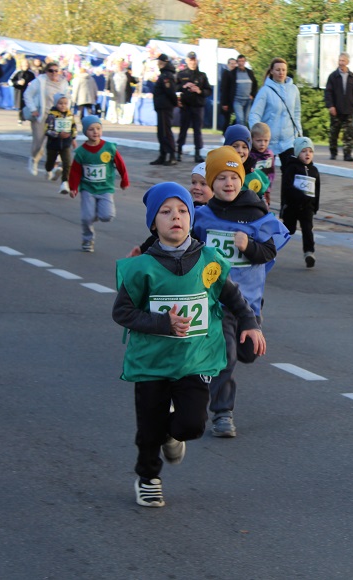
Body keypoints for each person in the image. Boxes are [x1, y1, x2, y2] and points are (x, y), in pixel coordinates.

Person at [112, 181, 265, 508]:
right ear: (153, 223)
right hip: (151, 363)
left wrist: (250, 323)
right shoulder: (141, 267)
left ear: (191, 218)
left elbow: (233, 297)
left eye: (182, 210)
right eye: (166, 212)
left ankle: (171, 434)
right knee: (148, 428)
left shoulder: (209, 260)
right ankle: (148, 478)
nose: (176, 217)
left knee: (192, 425)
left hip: (194, 360)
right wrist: (162, 322)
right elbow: (122, 312)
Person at [192, 146, 290, 437]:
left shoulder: (256, 214)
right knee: (227, 355)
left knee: (248, 354)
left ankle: (207, 368)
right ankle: (223, 414)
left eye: (234, 177)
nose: (228, 183)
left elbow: (269, 252)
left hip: (247, 303)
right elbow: (184, 247)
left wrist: (248, 247)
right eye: (221, 178)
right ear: (211, 183)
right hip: (215, 302)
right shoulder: (202, 217)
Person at [68, 115, 129, 252]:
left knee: (107, 216)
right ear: (85, 132)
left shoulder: (109, 148)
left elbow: (120, 164)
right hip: (87, 189)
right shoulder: (81, 152)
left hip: (105, 188)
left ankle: (93, 212)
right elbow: (75, 171)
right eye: (91, 129)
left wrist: (124, 180)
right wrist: (73, 187)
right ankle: (87, 240)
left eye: (98, 128)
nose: (95, 132)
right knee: (86, 218)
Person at [248, 58, 302, 163]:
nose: (281, 73)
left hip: (288, 141)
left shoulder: (294, 89)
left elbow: (296, 113)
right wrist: (257, 133)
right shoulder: (265, 91)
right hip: (268, 141)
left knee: (291, 169)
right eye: (278, 70)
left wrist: (299, 132)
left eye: (283, 70)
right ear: (272, 71)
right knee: (266, 171)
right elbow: (255, 114)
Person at [24, 63, 70, 176]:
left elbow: (68, 98)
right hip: (41, 116)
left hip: (57, 117)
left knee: (56, 143)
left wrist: (66, 112)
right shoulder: (40, 81)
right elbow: (27, 94)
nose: (54, 73)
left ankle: (52, 168)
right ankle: (33, 159)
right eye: (51, 70)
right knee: (39, 143)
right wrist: (33, 109)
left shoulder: (63, 83)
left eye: (56, 70)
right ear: (46, 72)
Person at [281, 136, 320, 267]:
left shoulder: (314, 170)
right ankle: (270, 245)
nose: (307, 154)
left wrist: (315, 205)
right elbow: (286, 187)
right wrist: (288, 202)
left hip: (307, 207)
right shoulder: (292, 168)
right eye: (303, 151)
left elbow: (317, 189)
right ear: (297, 153)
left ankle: (309, 253)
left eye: (310, 151)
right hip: (292, 206)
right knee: (289, 229)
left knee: (307, 229)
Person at [176, 51, 212, 163]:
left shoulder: (202, 75)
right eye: (191, 60)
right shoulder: (181, 74)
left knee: (197, 130)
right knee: (183, 129)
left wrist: (199, 90)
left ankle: (197, 153)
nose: (193, 62)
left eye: (194, 60)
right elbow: (174, 88)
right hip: (185, 106)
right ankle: (179, 151)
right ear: (187, 61)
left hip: (197, 106)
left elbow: (208, 91)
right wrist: (184, 86)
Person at [324, 53, 353, 162]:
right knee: (334, 133)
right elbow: (328, 93)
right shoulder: (333, 76)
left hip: (348, 109)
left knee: (348, 134)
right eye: (340, 60)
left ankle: (347, 154)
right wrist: (330, 106)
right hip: (336, 109)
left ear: (347, 62)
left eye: (343, 61)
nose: (341, 63)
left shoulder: (352, 76)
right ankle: (333, 153)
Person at [44, 93, 76, 195]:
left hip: (66, 144)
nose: (63, 105)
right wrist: (58, 135)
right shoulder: (52, 115)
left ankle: (64, 183)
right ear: (56, 104)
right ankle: (50, 170)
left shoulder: (70, 115)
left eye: (65, 103)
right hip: (53, 144)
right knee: (50, 162)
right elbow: (47, 130)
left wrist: (73, 138)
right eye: (60, 103)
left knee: (67, 163)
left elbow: (73, 127)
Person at [150, 54, 178, 166]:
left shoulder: (167, 75)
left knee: (165, 132)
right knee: (161, 133)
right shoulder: (164, 74)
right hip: (161, 107)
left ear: (164, 62)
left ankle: (172, 155)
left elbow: (170, 91)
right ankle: (163, 155)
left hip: (165, 107)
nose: (158, 63)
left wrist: (174, 103)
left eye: (160, 61)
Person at [227, 54, 258, 128]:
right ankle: (241, 133)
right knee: (240, 119)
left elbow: (255, 84)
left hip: (248, 100)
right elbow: (228, 87)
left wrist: (253, 95)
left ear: (245, 62)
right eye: (239, 61)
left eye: (242, 61)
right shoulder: (233, 73)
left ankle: (241, 132)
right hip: (237, 100)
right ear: (237, 62)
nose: (241, 63)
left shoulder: (249, 72)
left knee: (245, 119)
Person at [249, 122, 275, 205]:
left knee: (264, 207)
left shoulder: (270, 155)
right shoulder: (249, 155)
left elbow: (271, 173)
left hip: (265, 189)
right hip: (250, 189)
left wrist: (268, 188)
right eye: (259, 140)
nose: (262, 144)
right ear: (252, 139)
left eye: (266, 140)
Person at [10, 59, 35, 125]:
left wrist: (31, 84)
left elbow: (35, 82)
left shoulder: (31, 73)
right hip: (19, 91)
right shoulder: (17, 72)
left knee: (28, 105)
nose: (25, 65)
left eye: (27, 64)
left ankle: (26, 117)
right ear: (21, 65)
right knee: (20, 106)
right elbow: (10, 81)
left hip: (28, 92)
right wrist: (17, 82)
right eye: (24, 64)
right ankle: (20, 119)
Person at [219, 57, 237, 137]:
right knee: (227, 119)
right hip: (227, 101)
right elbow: (224, 89)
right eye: (231, 63)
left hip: (234, 100)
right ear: (228, 64)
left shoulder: (236, 74)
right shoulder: (226, 73)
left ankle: (230, 133)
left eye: (234, 63)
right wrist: (224, 103)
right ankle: (225, 134)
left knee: (234, 119)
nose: (233, 65)